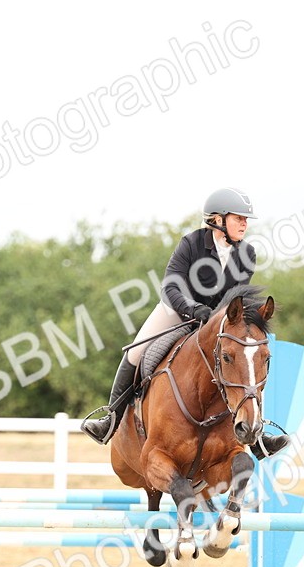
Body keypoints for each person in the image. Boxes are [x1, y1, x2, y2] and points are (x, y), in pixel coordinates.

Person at [80, 187, 289, 460]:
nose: (244, 224)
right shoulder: (191, 244)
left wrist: (219, 318)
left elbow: (235, 298)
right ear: (217, 220)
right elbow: (170, 286)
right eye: (238, 218)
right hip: (176, 311)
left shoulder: (246, 253)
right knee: (135, 353)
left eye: (245, 219)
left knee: (245, 361)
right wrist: (192, 309)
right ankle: (111, 419)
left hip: (216, 321)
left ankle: (257, 436)